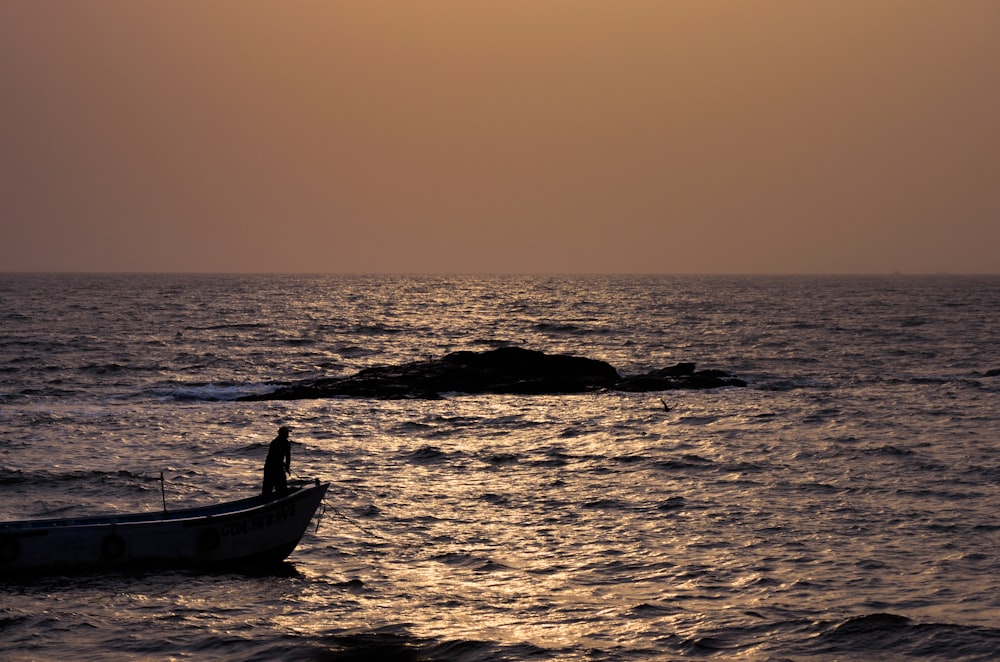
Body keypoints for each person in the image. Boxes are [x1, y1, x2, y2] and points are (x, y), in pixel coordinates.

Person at [262, 425, 292, 499]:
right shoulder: (286, 443)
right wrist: (287, 467)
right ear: (284, 434)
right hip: (277, 468)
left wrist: (283, 464)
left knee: (267, 489)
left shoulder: (274, 442)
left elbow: (272, 456)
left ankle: (265, 502)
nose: (288, 435)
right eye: (287, 433)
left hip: (268, 467)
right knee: (282, 490)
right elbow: (288, 457)